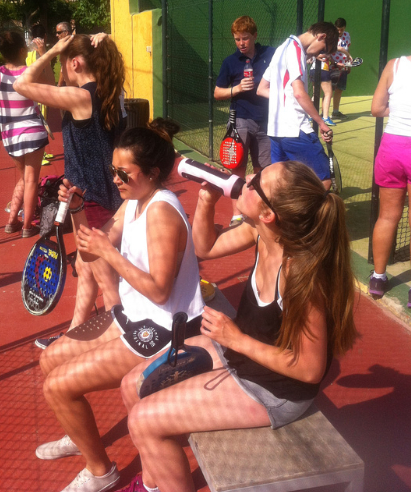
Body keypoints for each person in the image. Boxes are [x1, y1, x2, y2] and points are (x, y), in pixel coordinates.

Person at [117, 160, 358, 492]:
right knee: (132, 385)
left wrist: (237, 339)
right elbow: (206, 247)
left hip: (273, 389)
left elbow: (309, 369)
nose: (247, 178)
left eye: (256, 183)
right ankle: (153, 483)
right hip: (240, 350)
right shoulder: (260, 232)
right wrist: (207, 200)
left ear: (268, 214)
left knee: (143, 420)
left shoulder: (301, 276)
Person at [34, 122, 205, 492]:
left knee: (57, 387)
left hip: (165, 330)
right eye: (113, 170)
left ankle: (101, 472)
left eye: (123, 173)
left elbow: (160, 291)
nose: (115, 179)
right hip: (136, 316)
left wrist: (109, 253)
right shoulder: (134, 202)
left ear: (153, 173)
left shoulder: (161, 212)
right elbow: (90, 250)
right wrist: (77, 208)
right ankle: (80, 436)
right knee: (50, 360)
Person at [13, 33, 126, 346]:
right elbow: (53, 87)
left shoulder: (81, 98)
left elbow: (21, 84)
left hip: (90, 200)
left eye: (64, 63)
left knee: (104, 278)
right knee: (85, 267)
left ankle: (118, 343)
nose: (61, 69)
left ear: (75, 62)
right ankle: (76, 335)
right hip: (99, 197)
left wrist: (52, 50)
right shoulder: (110, 90)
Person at [256, 22, 338, 189]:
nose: (320, 54)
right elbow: (299, 93)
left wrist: (285, 98)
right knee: (323, 179)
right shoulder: (296, 50)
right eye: (323, 50)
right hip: (295, 129)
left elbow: (261, 89)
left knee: (282, 185)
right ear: (321, 37)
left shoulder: (281, 49)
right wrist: (321, 123)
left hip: (276, 132)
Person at [214, 16, 275, 227]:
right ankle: (237, 215)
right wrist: (237, 89)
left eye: (245, 38)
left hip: (266, 121)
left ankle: (259, 211)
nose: (241, 43)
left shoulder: (270, 54)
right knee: (237, 170)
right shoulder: (230, 62)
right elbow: (217, 93)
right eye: (237, 39)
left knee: (263, 171)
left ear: (255, 36)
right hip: (240, 121)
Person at [0, 31, 49, 238]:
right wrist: (43, 54)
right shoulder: (29, 72)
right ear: (23, 51)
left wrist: (11, 109)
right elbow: (50, 85)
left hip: (10, 136)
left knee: (24, 178)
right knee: (31, 180)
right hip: (32, 131)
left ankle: (12, 221)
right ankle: (27, 226)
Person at [370, 54, 411, 304]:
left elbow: (376, 109)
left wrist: (396, 110)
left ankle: (377, 278)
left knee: (386, 217)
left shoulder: (394, 65)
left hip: (391, 148)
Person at [26, 23, 56, 163]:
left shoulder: (29, 52)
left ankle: (42, 153)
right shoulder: (40, 53)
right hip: (40, 93)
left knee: (39, 123)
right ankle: (39, 155)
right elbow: (46, 73)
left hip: (31, 91)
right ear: (45, 36)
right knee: (41, 124)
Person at [330, 18, 352, 120]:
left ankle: (335, 112)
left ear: (345, 28)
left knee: (339, 89)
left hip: (343, 66)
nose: (339, 32)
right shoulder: (331, 35)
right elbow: (329, 51)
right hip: (332, 66)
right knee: (329, 90)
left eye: (341, 29)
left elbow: (347, 49)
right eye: (338, 29)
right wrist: (334, 63)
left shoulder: (347, 35)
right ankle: (323, 114)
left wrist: (349, 64)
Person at [309, 52, 334, 126]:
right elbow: (339, 48)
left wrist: (334, 62)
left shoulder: (314, 48)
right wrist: (348, 55)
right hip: (323, 70)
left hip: (313, 70)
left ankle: (311, 116)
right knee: (328, 94)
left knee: (315, 94)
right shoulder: (326, 46)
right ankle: (325, 117)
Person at [55, 21, 74, 87]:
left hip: (70, 83)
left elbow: (64, 67)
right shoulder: (74, 43)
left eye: (59, 33)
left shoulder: (67, 46)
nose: (56, 35)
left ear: (66, 33)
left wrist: (59, 85)